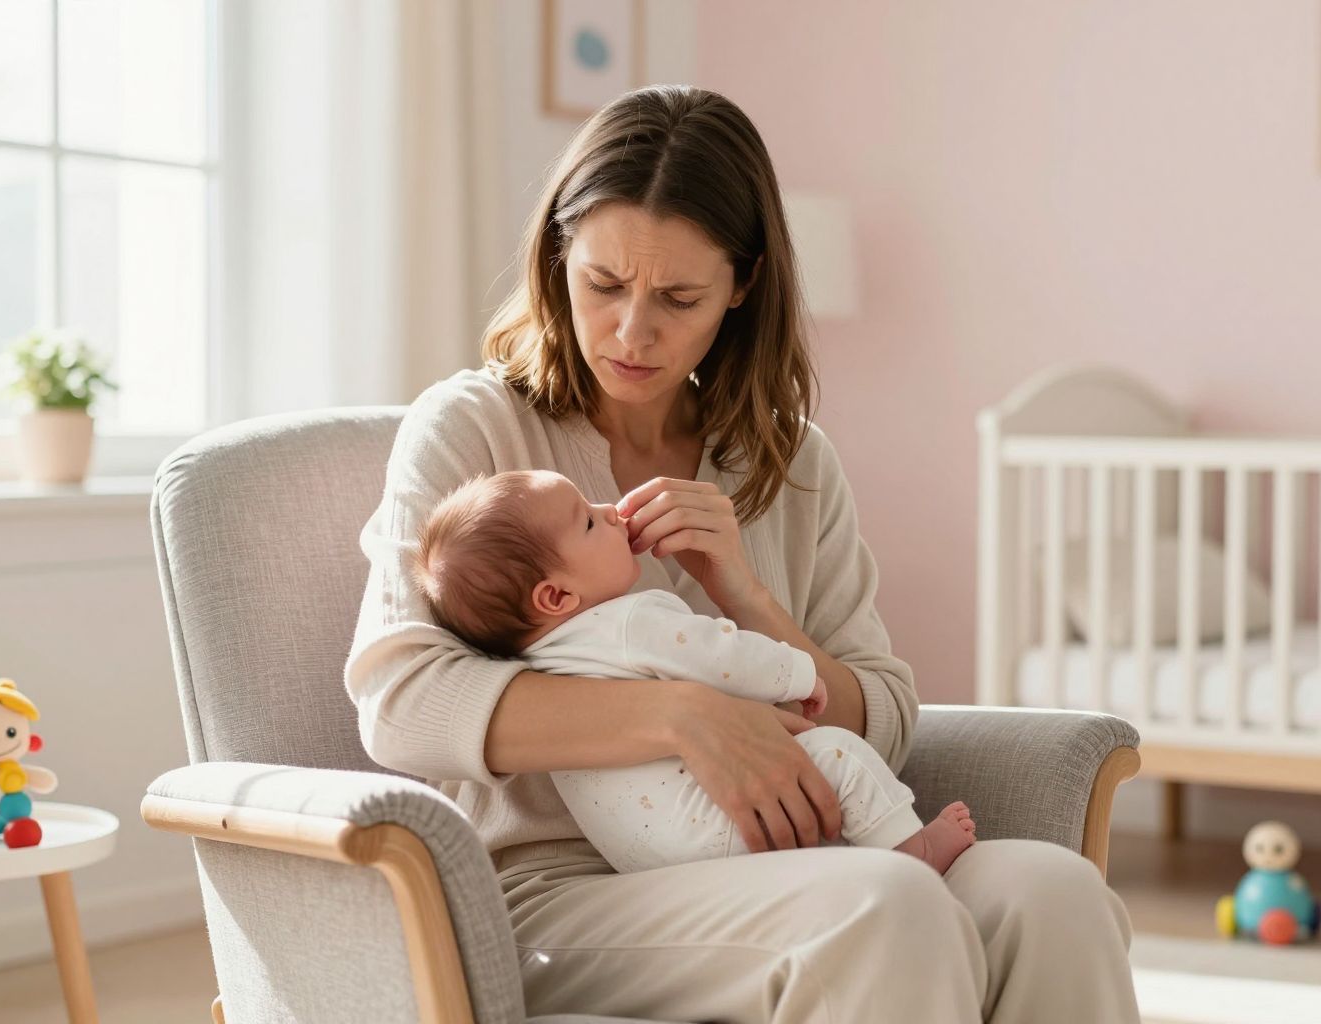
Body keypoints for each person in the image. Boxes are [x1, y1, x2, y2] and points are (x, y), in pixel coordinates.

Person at [346, 84, 1140, 1022]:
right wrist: (685, 717)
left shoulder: (791, 459)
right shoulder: (476, 432)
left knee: (1057, 895)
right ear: (559, 259)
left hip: (803, 858)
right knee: (886, 905)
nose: (633, 331)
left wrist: (751, 600)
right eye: (603, 284)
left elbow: (881, 711)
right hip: (556, 895)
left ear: (743, 285)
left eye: (679, 297)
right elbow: (401, 703)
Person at [410, 468, 979, 876]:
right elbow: (722, 656)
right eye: (588, 522)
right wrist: (798, 675)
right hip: (721, 823)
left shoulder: (542, 666)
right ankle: (911, 852)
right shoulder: (632, 622)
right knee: (838, 754)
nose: (609, 511)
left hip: (644, 863)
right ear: (557, 595)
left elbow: (887, 709)